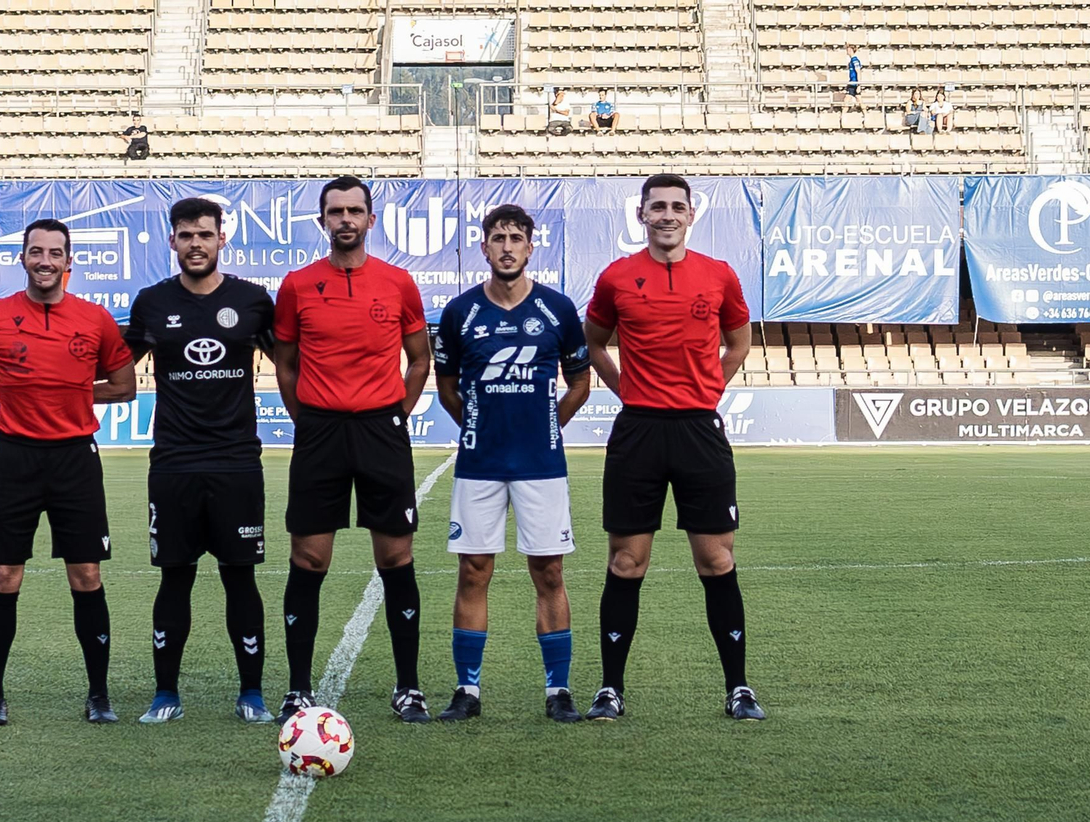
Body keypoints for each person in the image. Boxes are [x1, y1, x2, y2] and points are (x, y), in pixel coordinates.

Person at [581, 174, 766, 723]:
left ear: (691, 215)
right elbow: (593, 341)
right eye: (656, 206)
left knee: (716, 559)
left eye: (676, 207)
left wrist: (711, 387)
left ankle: (738, 687)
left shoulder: (719, 275)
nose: (666, 215)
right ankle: (611, 688)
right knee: (626, 560)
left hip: (698, 430)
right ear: (641, 215)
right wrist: (626, 390)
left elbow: (739, 341)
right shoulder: (616, 277)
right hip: (638, 431)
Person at [0, 219, 137, 727]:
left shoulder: (95, 320)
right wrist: (8, 395)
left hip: (75, 459)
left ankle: (98, 694)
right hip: (14, 459)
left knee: (86, 574)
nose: (45, 260)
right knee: (5, 575)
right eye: (36, 252)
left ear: (69, 262)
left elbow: (123, 386)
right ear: (23, 259)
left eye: (55, 253)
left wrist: (66, 394)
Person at [272, 175, 433, 724]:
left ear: (369, 219)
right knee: (309, 557)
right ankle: (297, 689)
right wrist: (310, 419)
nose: (345, 219)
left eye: (354, 211)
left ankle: (408, 686)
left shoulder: (398, 283)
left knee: (396, 558)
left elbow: (419, 359)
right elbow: (286, 365)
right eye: (335, 211)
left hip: (381, 432)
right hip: (320, 433)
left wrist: (395, 414)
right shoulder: (297, 285)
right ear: (322, 221)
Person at [433, 204, 592, 724]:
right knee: (473, 571)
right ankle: (467, 690)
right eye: (496, 237)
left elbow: (581, 382)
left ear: (530, 246)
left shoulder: (558, 309)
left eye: (515, 238)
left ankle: (558, 690)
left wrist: (548, 424)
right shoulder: (460, 313)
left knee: (548, 572)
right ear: (484, 247)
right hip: (480, 464)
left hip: (541, 465)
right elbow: (448, 388)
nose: (506, 246)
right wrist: (477, 425)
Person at [123, 197, 277, 725]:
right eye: (185, 235)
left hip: (237, 463)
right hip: (173, 464)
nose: (195, 244)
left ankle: (251, 693)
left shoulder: (253, 301)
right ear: (172, 241)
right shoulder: (150, 303)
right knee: (175, 578)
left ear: (221, 240)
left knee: (241, 578)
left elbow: (297, 362)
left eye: (204, 235)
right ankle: (166, 693)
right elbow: (116, 368)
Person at [845, 45, 866, 110]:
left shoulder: (855, 60)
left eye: (848, 49)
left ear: (851, 50)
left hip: (854, 84)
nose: (846, 51)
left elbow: (858, 72)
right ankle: (842, 117)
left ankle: (842, 117)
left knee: (847, 101)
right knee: (849, 100)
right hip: (852, 83)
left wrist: (859, 85)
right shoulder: (851, 61)